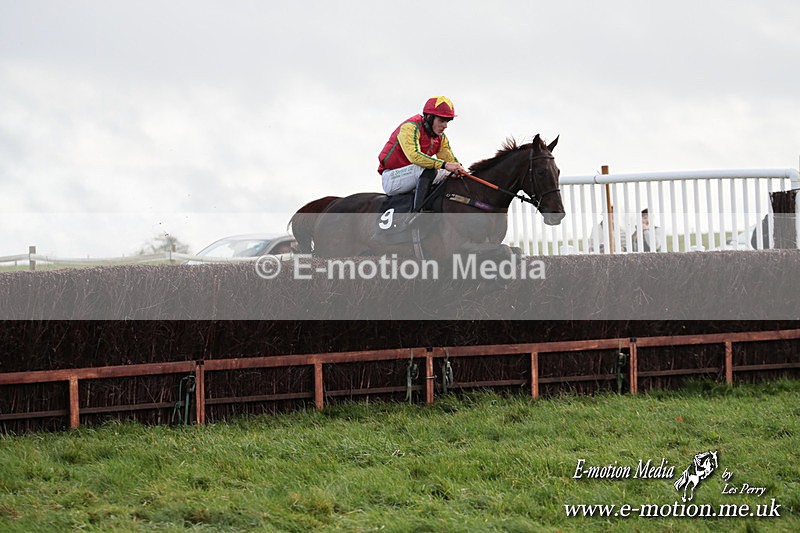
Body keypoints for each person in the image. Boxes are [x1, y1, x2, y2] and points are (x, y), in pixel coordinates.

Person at [377, 96, 466, 213]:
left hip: (413, 178)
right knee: (429, 168)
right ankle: (418, 213)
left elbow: (451, 162)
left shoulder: (441, 138)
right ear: (429, 117)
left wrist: (461, 171)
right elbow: (414, 156)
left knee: (451, 173)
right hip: (392, 178)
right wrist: (445, 165)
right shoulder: (410, 127)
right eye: (441, 120)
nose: (445, 126)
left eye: (447, 121)